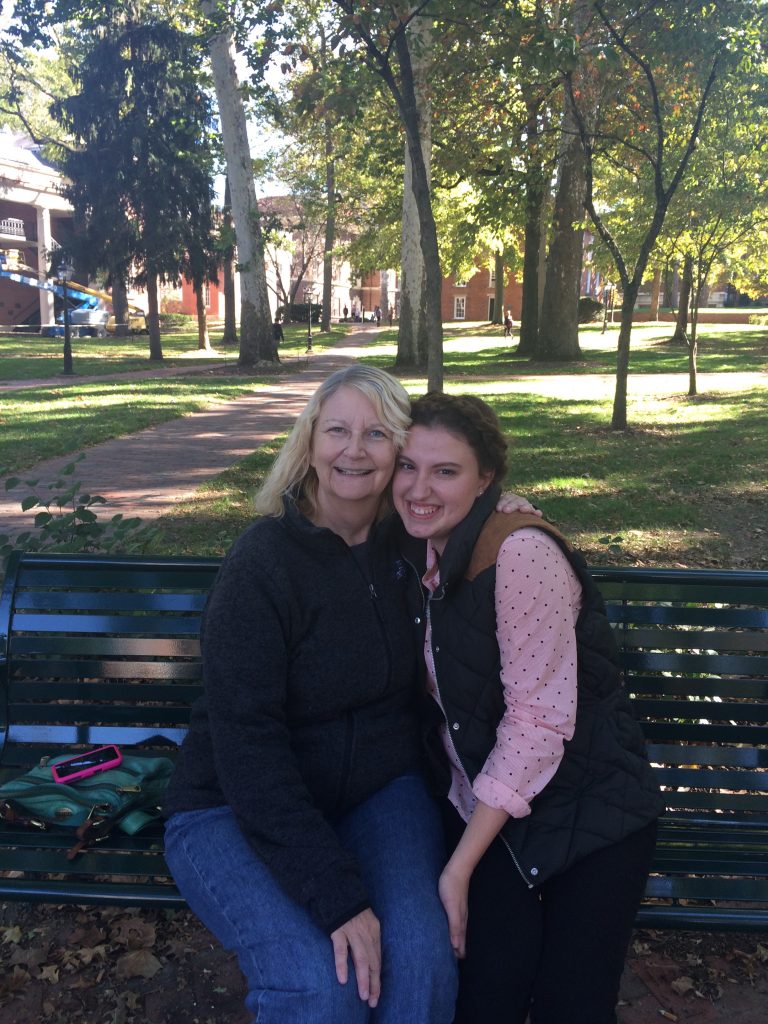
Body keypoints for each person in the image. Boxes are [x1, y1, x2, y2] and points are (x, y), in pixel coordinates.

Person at [162, 366, 461, 1024]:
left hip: (379, 792)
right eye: (337, 430)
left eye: (377, 433)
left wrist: (505, 515)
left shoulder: (411, 549)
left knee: (422, 971)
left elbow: (470, 494)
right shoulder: (262, 564)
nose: (354, 450)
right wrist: (334, 894)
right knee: (322, 988)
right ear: (309, 443)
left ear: (399, 453)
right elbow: (247, 745)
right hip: (232, 805)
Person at [391, 393, 665, 1024]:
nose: (419, 488)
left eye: (446, 471)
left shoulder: (518, 554)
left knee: (571, 1004)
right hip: (493, 809)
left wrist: (457, 870)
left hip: (590, 806)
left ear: (487, 478)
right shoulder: (410, 543)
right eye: (408, 466)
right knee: (486, 998)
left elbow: (537, 727)